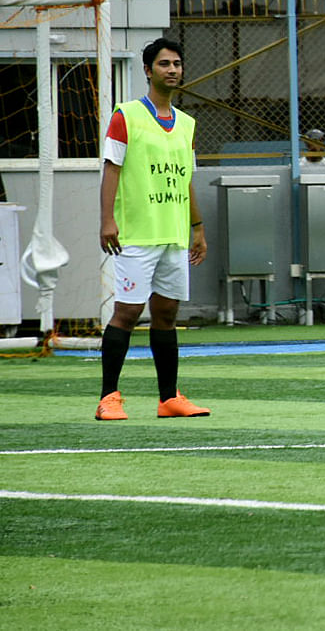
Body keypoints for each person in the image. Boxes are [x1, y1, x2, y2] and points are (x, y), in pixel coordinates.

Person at [95, 37, 211, 421]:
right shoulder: (125, 115)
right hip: (136, 234)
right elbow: (111, 168)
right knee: (127, 313)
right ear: (148, 70)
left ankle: (168, 398)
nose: (173, 69)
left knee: (167, 314)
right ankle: (108, 397)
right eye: (164, 63)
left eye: (177, 63)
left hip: (174, 235)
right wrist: (107, 219)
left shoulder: (187, 124)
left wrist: (197, 227)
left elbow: (186, 179)